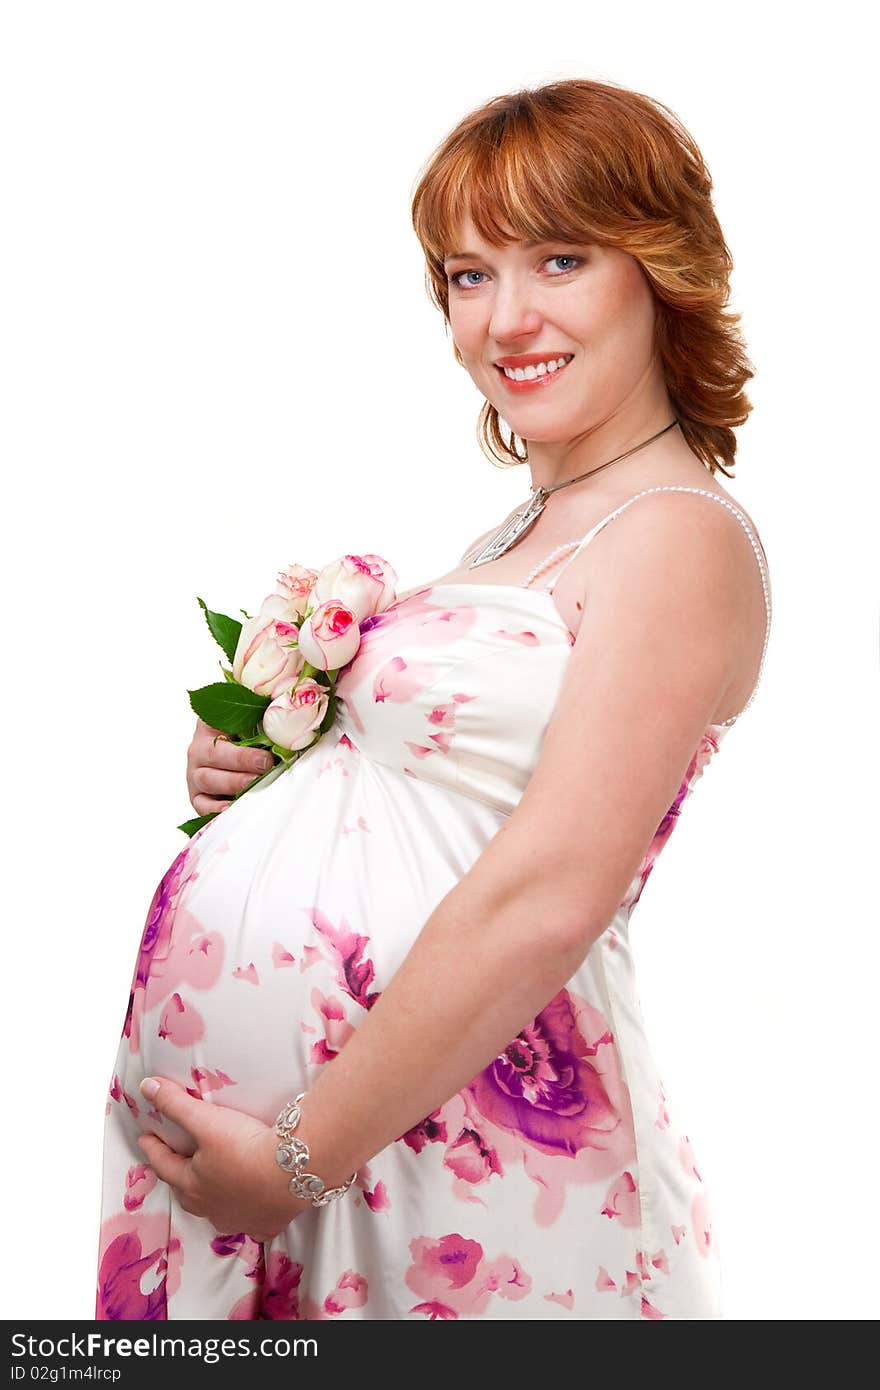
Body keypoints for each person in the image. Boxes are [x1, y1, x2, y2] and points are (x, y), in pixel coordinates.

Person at [96, 76, 772, 1321]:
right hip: (356, 1156)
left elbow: (549, 894)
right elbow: (444, 813)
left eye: (559, 260)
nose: (506, 319)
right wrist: (272, 771)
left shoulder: (674, 534)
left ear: (659, 268)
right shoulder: (528, 531)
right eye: (467, 275)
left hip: (448, 1185)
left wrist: (300, 1159)